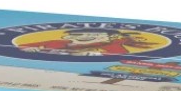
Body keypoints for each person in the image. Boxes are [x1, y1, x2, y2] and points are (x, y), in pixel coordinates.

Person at [18, 30, 154, 56]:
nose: (87, 37)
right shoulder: (55, 42)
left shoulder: (112, 46)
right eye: (79, 34)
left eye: (94, 35)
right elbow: (17, 48)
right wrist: (30, 50)